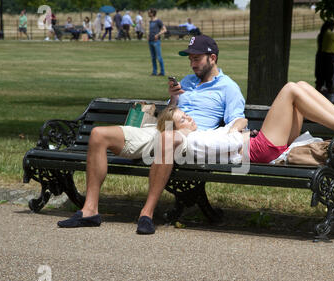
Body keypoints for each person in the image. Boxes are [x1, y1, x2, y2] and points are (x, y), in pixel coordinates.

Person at [56, 35, 246, 233]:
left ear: (212, 58)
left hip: (190, 138)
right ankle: (89, 211)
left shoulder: (228, 87)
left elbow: (238, 119)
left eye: (196, 59)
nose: (192, 64)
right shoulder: (187, 82)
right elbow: (167, 115)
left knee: (167, 137)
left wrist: (232, 132)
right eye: (190, 59)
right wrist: (173, 99)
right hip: (160, 130)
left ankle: (146, 214)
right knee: (98, 134)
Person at [157, 81, 334, 167]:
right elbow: (227, 147)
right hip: (259, 149)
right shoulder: (193, 140)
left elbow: (228, 134)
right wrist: (235, 132)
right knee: (290, 89)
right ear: (176, 129)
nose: (190, 118)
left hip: (260, 145)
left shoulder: (198, 134)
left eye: (186, 114)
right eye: (183, 120)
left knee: (300, 85)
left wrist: (234, 126)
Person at [148, 8, 167, 76]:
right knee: (153, 58)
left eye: (149, 12)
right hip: (150, 41)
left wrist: (158, 34)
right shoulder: (150, 21)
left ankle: (162, 72)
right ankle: (154, 72)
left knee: (159, 57)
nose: (148, 13)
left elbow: (164, 30)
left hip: (156, 42)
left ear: (152, 13)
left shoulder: (158, 21)